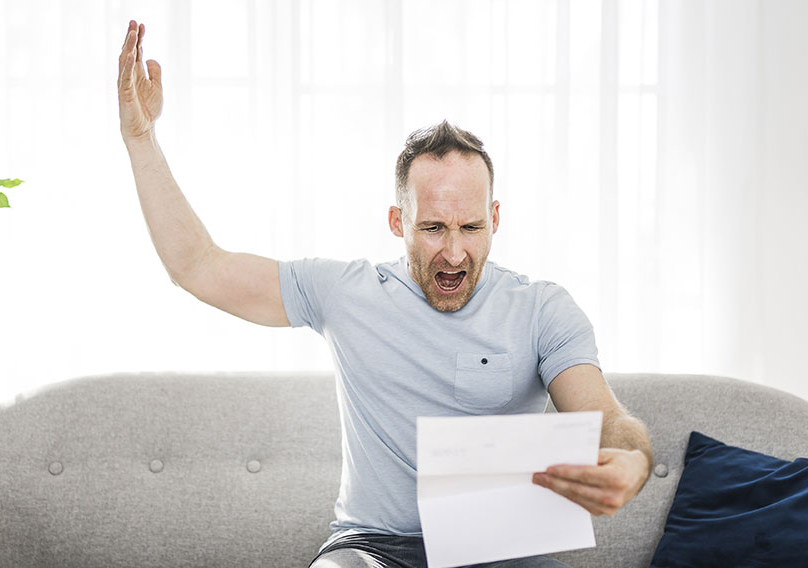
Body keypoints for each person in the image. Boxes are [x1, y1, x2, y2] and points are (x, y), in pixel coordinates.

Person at [117, 20, 653, 568]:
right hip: (370, 548)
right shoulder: (347, 292)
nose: (453, 252)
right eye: (433, 228)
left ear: (495, 219)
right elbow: (198, 266)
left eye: (470, 228)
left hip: (500, 551)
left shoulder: (542, 309)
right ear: (399, 221)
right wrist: (142, 139)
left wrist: (631, 457)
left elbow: (604, 414)